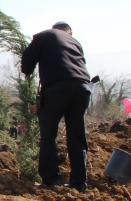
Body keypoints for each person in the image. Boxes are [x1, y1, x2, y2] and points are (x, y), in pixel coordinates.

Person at [21, 22, 91, 192]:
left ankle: (51, 180)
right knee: (76, 134)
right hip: (82, 88)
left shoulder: (44, 36)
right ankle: (79, 182)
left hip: (57, 88)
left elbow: (27, 63)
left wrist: (28, 70)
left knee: (48, 133)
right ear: (69, 32)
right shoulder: (75, 42)